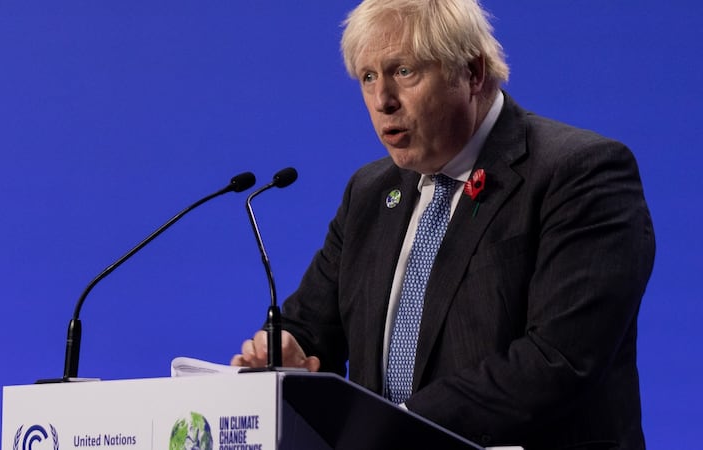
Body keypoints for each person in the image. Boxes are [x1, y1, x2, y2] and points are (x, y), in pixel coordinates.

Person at [231, 0, 655, 448]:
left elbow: (561, 359)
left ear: (472, 72)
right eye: (369, 77)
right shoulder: (370, 193)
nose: (382, 101)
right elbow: (312, 326)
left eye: (404, 72)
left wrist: (397, 425)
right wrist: (288, 350)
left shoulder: (579, 173)